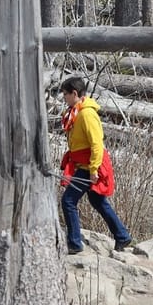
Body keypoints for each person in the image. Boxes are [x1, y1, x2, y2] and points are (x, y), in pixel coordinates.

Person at [58, 76, 133, 255]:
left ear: (75, 93)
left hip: (91, 165)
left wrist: (93, 170)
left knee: (68, 201)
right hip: (84, 164)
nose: (64, 98)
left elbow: (97, 144)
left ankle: (75, 243)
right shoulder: (76, 112)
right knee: (97, 200)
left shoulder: (86, 114)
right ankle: (122, 235)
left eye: (66, 94)